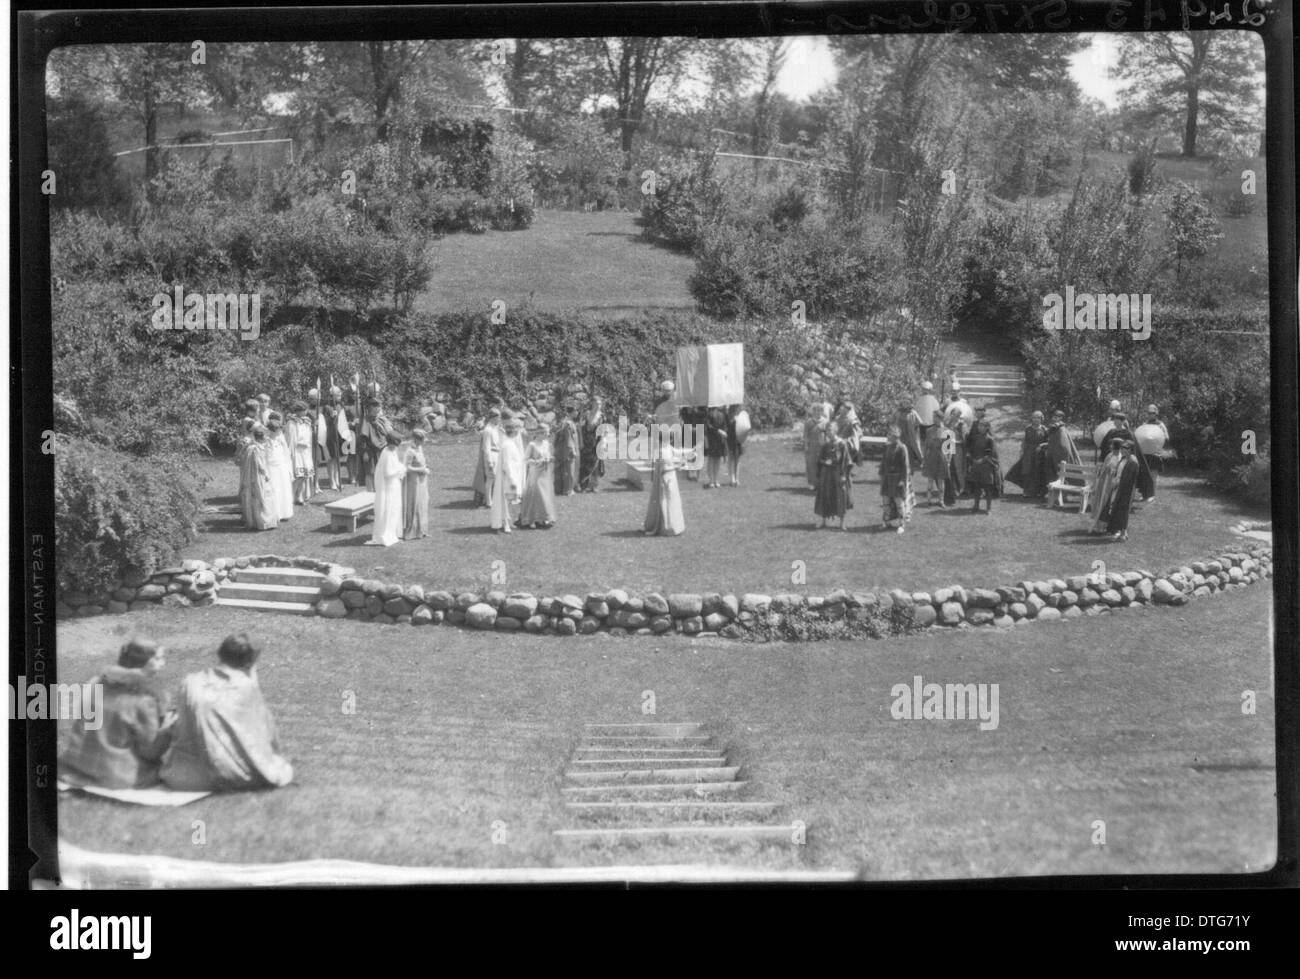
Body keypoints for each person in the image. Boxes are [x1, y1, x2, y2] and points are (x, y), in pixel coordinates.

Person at [159, 633, 293, 792]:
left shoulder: (191, 682)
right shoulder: (246, 686)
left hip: (187, 778)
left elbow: (182, 725)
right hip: (238, 775)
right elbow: (265, 734)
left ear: (220, 653)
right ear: (251, 661)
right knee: (280, 768)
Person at [59, 639, 172, 789]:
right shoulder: (144, 700)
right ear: (144, 662)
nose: (163, 663)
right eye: (158, 658)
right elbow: (151, 752)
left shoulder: (95, 682)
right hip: (117, 777)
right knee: (166, 769)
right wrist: (168, 728)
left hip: (76, 767)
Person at [368, 431, 407, 546]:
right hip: (388, 486)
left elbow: (396, 464)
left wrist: (401, 467)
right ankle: (385, 534)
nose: (396, 447)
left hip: (394, 484)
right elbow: (388, 472)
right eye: (395, 444)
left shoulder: (393, 451)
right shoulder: (386, 453)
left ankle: (392, 532)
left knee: (395, 508)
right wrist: (401, 470)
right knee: (388, 509)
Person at [814, 424, 854, 530]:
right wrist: (825, 461)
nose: (828, 432)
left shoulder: (842, 444)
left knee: (840, 497)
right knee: (824, 495)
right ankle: (823, 520)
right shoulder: (825, 445)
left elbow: (847, 462)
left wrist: (844, 475)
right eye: (827, 431)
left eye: (830, 430)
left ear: (835, 430)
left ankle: (842, 522)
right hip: (826, 474)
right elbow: (819, 460)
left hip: (837, 473)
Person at [643, 441, 687, 536]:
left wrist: (692, 450)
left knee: (672, 502)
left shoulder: (668, 448)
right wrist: (677, 466)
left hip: (671, 476)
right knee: (664, 502)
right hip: (666, 477)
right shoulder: (660, 451)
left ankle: (674, 526)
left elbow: (678, 452)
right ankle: (665, 527)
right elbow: (664, 466)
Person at [519, 423, 557, 529]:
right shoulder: (532, 445)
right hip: (535, 473)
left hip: (545, 473)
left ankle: (542, 517)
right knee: (535, 495)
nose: (548, 435)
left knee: (544, 495)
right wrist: (536, 461)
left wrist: (549, 458)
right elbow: (525, 460)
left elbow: (550, 455)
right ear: (540, 433)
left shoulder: (547, 444)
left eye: (548, 432)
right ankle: (531, 519)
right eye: (546, 433)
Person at [491, 416, 526, 532]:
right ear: (513, 431)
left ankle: (508, 521)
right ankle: (505, 522)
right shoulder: (507, 445)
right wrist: (512, 480)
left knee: (511, 500)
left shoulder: (510, 443)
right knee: (506, 499)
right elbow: (507, 464)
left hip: (514, 475)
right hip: (508, 478)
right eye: (517, 430)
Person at [240, 424, 277, 530]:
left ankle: (255, 520)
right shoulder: (256, 449)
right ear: (262, 437)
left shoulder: (251, 447)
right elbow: (260, 464)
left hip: (251, 477)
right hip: (258, 477)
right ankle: (263, 521)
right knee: (263, 496)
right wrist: (266, 474)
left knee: (256, 497)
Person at [1101, 441, 1140, 541]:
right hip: (1117, 488)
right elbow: (1119, 472)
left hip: (1126, 490)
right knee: (1115, 508)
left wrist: (1117, 484)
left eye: (1125, 449)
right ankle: (1116, 530)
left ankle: (1123, 533)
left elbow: (1128, 478)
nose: (1122, 451)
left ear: (1130, 450)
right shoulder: (1123, 459)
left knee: (1123, 511)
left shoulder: (1133, 462)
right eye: (1122, 448)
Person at [1006, 410, 1049, 500]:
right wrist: (1022, 450)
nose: (1036, 420)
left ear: (1041, 419)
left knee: (1038, 472)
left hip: (1039, 454)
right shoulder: (1028, 429)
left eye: (1038, 418)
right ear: (1031, 419)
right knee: (1027, 471)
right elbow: (1025, 441)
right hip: (1028, 453)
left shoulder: (1045, 429)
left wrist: (1041, 445)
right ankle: (1027, 491)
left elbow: (1048, 442)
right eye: (1034, 417)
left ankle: (1039, 492)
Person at [879, 426, 914, 534]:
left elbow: (905, 466)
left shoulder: (902, 448)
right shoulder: (887, 447)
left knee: (899, 502)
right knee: (885, 500)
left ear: (895, 436)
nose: (887, 436)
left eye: (889, 434)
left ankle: (901, 524)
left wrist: (903, 480)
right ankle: (886, 521)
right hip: (887, 478)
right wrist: (881, 475)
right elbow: (883, 462)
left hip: (898, 478)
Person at [966, 416, 1002, 514]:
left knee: (987, 488)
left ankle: (988, 508)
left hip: (986, 466)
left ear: (987, 427)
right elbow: (972, 450)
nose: (980, 428)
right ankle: (976, 505)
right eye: (979, 426)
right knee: (977, 487)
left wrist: (982, 460)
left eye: (982, 426)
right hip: (976, 465)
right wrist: (972, 458)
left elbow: (990, 454)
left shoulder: (989, 440)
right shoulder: (975, 438)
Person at [360, 398, 395, 493]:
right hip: (370, 450)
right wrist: (365, 452)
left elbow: (388, 434)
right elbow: (364, 437)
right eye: (375, 407)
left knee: (381, 472)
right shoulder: (366, 420)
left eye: (378, 407)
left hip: (382, 449)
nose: (377, 409)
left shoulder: (381, 420)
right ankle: (370, 493)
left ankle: (379, 492)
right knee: (370, 473)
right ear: (370, 408)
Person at [921, 409, 955, 508]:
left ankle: (941, 500)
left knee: (941, 480)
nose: (934, 419)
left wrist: (948, 461)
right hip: (931, 457)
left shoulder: (947, 432)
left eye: (935, 417)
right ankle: (928, 500)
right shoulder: (929, 430)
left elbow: (950, 449)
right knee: (930, 480)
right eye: (933, 417)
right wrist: (924, 458)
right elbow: (926, 445)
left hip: (942, 457)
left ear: (941, 418)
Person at [321, 386, 353, 490]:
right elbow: (324, 422)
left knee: (338, 459)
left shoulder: (340, 405)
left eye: (340, 394)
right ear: (333, 395)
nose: (340, 395)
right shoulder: (327, 407)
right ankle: (332, 482)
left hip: (340, 434)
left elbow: (342, 420)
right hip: (331, 435)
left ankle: (338, 480)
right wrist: (331, 417)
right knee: (331, 459)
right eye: (338, 394)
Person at [264, 412, 294, 521]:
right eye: (277, 431)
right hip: (271, 468)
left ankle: (285, 512)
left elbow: (286, 454)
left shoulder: (280, 439)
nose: (279, 433)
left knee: (284, 489)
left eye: (280, 431)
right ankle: (275, 513)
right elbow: (264, 457)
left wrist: (289, 470)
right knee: (274, 490)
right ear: (271, 431)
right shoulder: (266, 441)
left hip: (282, 466)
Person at [472, 408, 503, 507]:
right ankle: (488, 500)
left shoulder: (495, 428)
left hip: (497, 454)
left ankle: (493, 498)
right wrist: (489, 461)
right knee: (490, 478)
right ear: (493, 418)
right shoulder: (488, 430)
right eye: (498, 417)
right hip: (492, 455)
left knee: (497, 478)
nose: (499, 419)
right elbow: (486, 447)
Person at [286, 401, 316, 505]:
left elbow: (309, 436)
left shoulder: (307, 421)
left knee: (304, 476)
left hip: (306, 451)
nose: (306, 412)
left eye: (306, 410)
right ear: (298, 411)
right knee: (297, 476)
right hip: (297, 451)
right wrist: (293, 449)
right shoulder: (292, 422)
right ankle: (290, 497)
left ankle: (299, 496)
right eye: (304, 410)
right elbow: (290, 438)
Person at [402, 429, 430, 539]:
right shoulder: (410, 451)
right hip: (413, 481)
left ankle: (422, 530)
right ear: (417, 439)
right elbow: (406, 467)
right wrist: (420, 469)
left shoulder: (420, 448)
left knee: (423, 503)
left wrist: (425, 468)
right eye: (423, 439)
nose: (424, 441)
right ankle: (411, 531)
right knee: (415, 504)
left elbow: (422, 462)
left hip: (422, 481)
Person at [578, 397, 606, 493]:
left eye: (600, 404)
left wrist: (602, 443)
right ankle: (584, 486)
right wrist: (581, 441)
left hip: (596, 442)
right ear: (592, 404)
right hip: (585, 443)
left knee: (595, 464)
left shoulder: (602, 416)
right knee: (584, 464)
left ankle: (594, 486)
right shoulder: (586, 414)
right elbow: (580, 429)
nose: (599, 406)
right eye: (597, 404)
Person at [553, 404, 580, 496]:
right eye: (576, 411)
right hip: (568, 449)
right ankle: (568, 490)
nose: (577, 412)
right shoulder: (568, 423)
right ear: (571, 412)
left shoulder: (564, 421)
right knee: (569, 470)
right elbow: (569, 438)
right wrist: (573, 450)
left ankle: (558, 489)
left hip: (561, 449)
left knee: (561, 470)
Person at [803, 402, 830, 489]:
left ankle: (821, 483)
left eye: (820, 410)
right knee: (811, 464)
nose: (818, 412)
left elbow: (828, 434)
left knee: (822, 464)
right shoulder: (809, 422)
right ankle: (812, 483)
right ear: (813, 411)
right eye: (816, 410)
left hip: (822, 445)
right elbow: (806, 435)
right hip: (812, 445)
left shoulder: (825, 422)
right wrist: (806, 445)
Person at [894, 399, 925, 471]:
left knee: (916, 449)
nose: (905, 404)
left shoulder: (912, 412)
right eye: (904, 402)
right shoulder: (898, 411)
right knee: (898, 449)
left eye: (907, 403)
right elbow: (893, 420)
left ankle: (922, 462)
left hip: (910, 435)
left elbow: (919, 422)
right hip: (900, 435)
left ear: (910, 403)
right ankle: (899, 465)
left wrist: (915, 432)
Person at [703, 404, 727, 489]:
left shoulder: (722, 414)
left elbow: (724, 426)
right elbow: (708, 426)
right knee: (712, 459)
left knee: (716, 460)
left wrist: (723, 433)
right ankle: (711, 481)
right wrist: (719, 431)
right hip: (712, 439)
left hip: (718, 440)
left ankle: (715, 480)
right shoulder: (710, 413)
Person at [725, 404, 747, 487]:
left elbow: (745, 426)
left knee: (737, 460)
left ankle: (737, 478)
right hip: (731, 439)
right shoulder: (728, 415)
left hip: (739, 439)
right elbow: (728, 426)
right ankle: (732, 479)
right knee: (731, 458)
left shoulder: (741, 415)